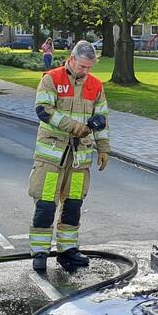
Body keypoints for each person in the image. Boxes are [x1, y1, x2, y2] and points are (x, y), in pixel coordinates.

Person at [28, 40, 110, 272]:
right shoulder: (51, 79)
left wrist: (103, 148)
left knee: (73, 204)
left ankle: (68, 250)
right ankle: (40, 252)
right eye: (83, 66)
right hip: (52, 156)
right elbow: (43, 111)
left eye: (90, 67)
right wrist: (74, 127)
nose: (86, 71)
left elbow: (102, 120)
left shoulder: (96, 86)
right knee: (45, 204)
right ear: (71, 59)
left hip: (79, 158)